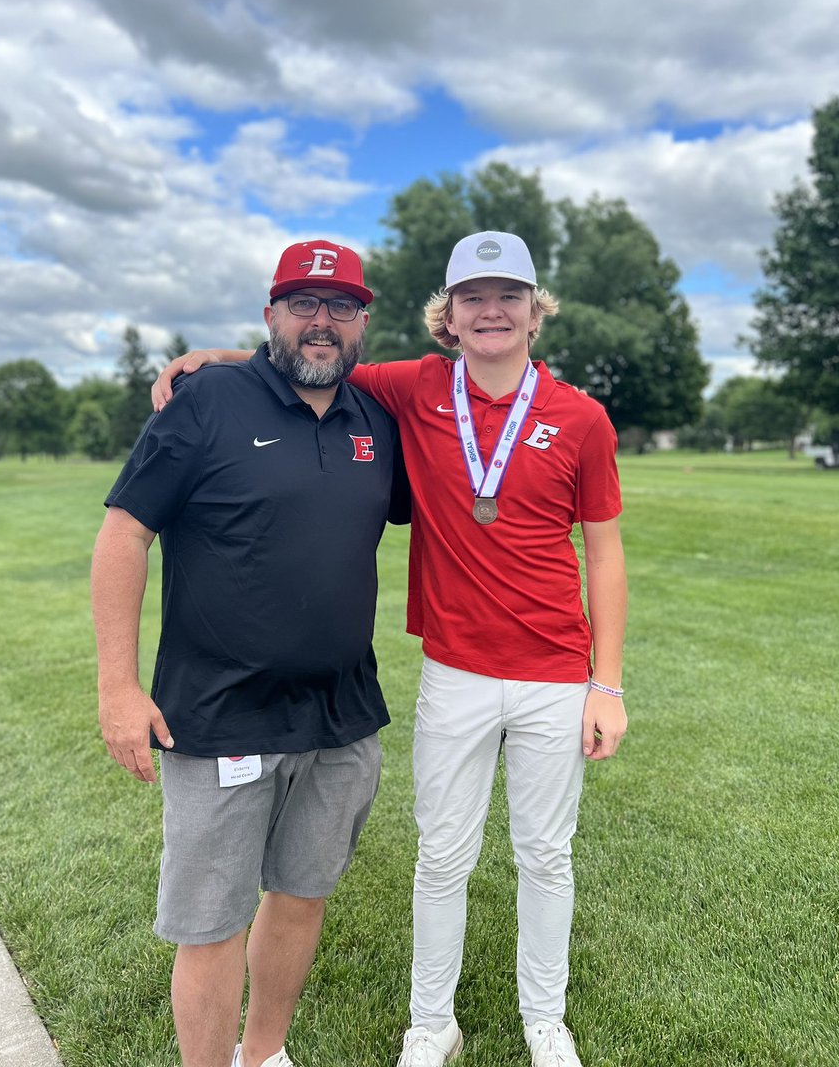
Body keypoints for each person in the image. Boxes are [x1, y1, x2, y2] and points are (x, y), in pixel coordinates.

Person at [153, 231, 628, 1067]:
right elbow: (305, 356)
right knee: (442, 855)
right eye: (473, 298)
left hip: (557, 672)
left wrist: (609, 685)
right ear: (447, 316)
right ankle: (428, 1022)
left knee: (546, 855)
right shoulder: (413, 386)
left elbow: (606, 551)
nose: (491, 311)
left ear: (533, 311)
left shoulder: (581, 415)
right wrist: (216, 356)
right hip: (455, 668)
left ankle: (543, 1019)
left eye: (508, 296)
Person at [92, 241, 408, 1067]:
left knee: (302, 898)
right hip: (221, 714)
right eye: (303, 303)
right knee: (211, 923)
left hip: (342, 716)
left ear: (363, 320)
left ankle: (263, 1053)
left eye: (341, 306)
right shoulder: (206, 403)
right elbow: (125, 533)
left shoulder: (376, 420)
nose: (322, 321)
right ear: (271, 312)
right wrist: (117, 688)